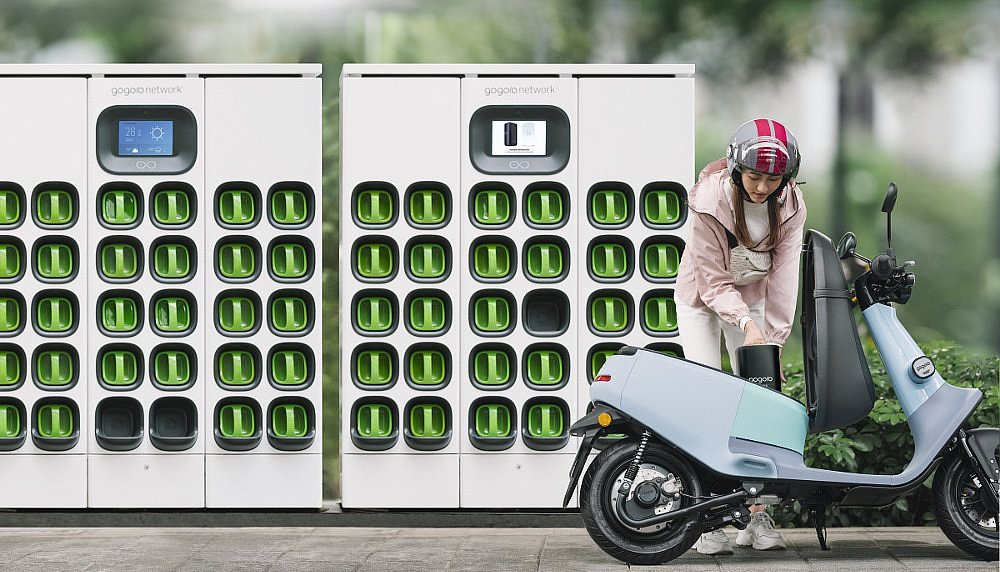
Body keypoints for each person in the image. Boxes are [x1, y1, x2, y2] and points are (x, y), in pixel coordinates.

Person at [675, 118, 807, 555]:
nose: (762, 187)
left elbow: (785, 279)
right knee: (704, 402)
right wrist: (748, 326)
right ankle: (704, 518)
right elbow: (713, 283)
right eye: (754, 176)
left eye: (772, 178)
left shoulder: (790, 204)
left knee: (757, 401)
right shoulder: (709, 199)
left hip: (752, 298)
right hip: (700, 297)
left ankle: (757, 516)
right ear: (736, 168)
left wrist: (773, 342)